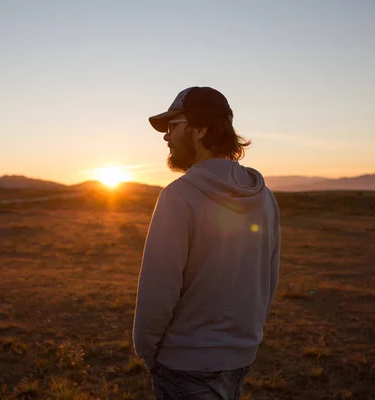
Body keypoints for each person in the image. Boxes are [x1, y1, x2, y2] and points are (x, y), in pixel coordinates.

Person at [133, 86, 281, 400]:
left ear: (201, 129)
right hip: (241, 356)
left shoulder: (178, 196)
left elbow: (158, 289)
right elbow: (269, 280)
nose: (166, 136)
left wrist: (147, 352)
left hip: (185, 363)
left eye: (174, 126)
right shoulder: (264, 196)